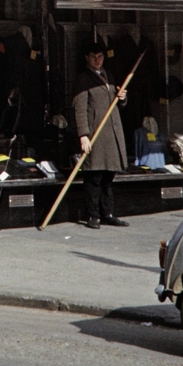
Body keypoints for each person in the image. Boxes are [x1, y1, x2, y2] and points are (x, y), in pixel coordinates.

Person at [72, 43, 129, 230]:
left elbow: (116, 104)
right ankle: (93, 215)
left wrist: (122, 98)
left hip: (110, 134)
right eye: (93, 56)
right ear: (87, 58)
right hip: (95, 133)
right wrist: (83, 135)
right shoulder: (83, 79)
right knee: (94, 176)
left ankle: (108, 213)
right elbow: (80, 109)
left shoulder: (109, 77)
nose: (97, 60)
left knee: (107, 177)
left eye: (100, 56)